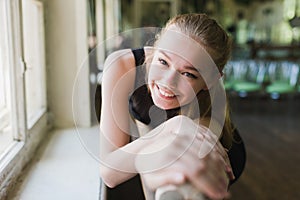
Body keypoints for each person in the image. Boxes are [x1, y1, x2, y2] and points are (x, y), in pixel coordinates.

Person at [99, 13, 246, 200]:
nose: (168, 81)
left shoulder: (203, 119)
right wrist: (173, 126)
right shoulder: (121, 66)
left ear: (211, 80)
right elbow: (108, 171)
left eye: (188, 74)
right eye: (163, 61)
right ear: (155, 48)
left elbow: (113, 171)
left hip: (213, 151)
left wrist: (177, 127)